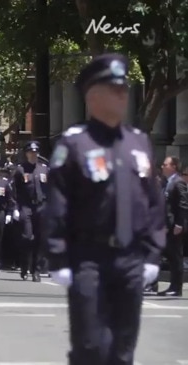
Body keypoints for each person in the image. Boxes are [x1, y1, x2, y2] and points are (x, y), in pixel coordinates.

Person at [45, 53, 166, 365]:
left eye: (124, 88)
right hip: (89, 259)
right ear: (93, 95)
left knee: (123, 351)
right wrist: (58, 257)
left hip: (131, 260)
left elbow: (153, 201)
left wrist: (153, 254)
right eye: (115, 89)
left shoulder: (138, 141)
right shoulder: (74, 144)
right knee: (91, 348)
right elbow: (58, 203)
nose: (123, 94)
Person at [14, 141, 47, 281]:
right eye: (31, 152)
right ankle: (24, 266)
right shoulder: (20, 170)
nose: (34, 154)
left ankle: (36, 270)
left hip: (41, 207)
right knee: (27, 237)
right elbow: (15, 192)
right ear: (26, 153)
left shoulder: (44, 169)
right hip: (26, 206)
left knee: (39, 239)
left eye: (36, 152)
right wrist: (14, 209)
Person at [158, 155, 187, 296]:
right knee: (168, 256)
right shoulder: (167, 182)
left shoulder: (178, 182)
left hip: (175, 227)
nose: (163, 167)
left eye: (166, 164)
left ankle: (176, 288)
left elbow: (182, 204)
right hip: (167, 226)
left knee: (175, 257)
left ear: (174, 166)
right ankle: (171, 286)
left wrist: (179, 224)